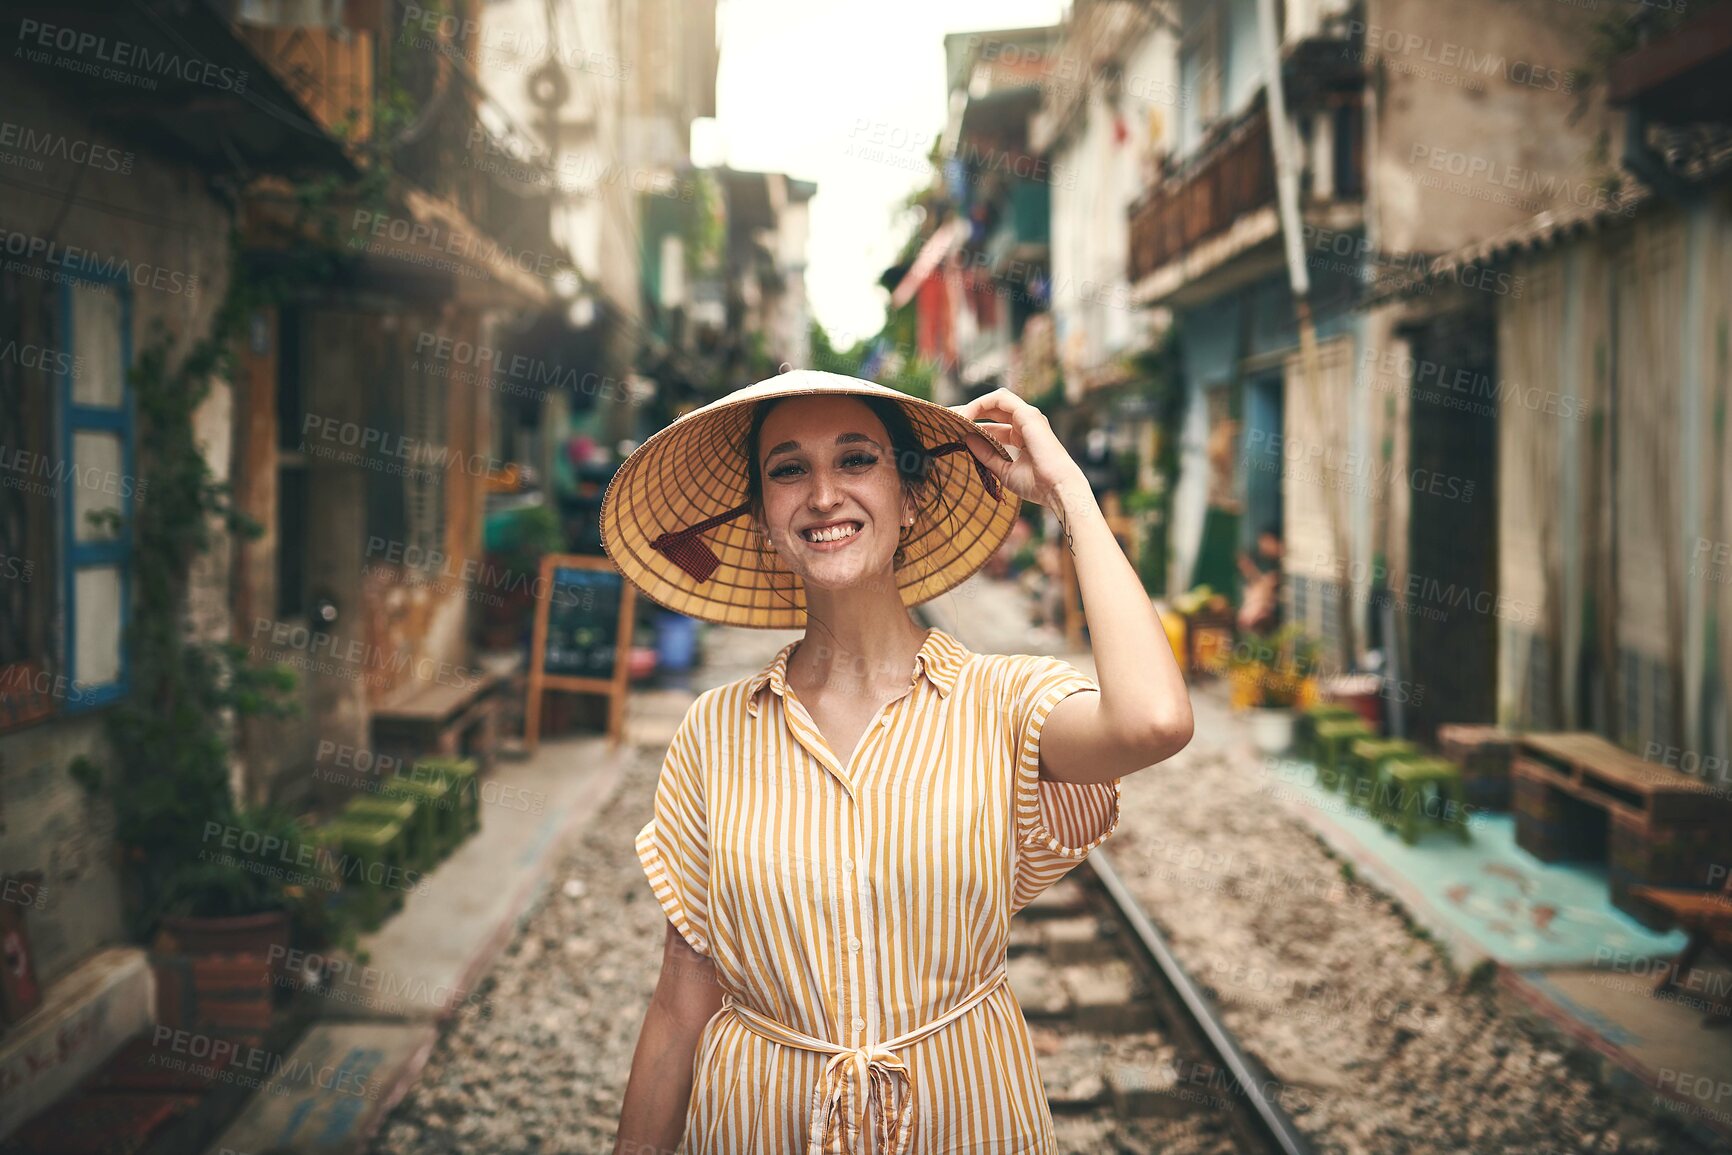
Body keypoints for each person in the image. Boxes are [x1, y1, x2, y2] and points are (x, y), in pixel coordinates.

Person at [602, 371, 1194, 1155]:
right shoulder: (715, 732)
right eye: (788, 469)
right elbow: (682, 1002)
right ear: (762, 520)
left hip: (966, 1117)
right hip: (760, 1124)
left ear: (911, 496)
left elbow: (1154, 719)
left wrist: (1068, 491)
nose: (822, 495)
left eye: (856, 460)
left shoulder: (1000, 702)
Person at [1236, 525, 1283, 636]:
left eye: (1266, 543)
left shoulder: (1278, 564)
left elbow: (1267, 583)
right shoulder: (1266, 564)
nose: (1263, 548)